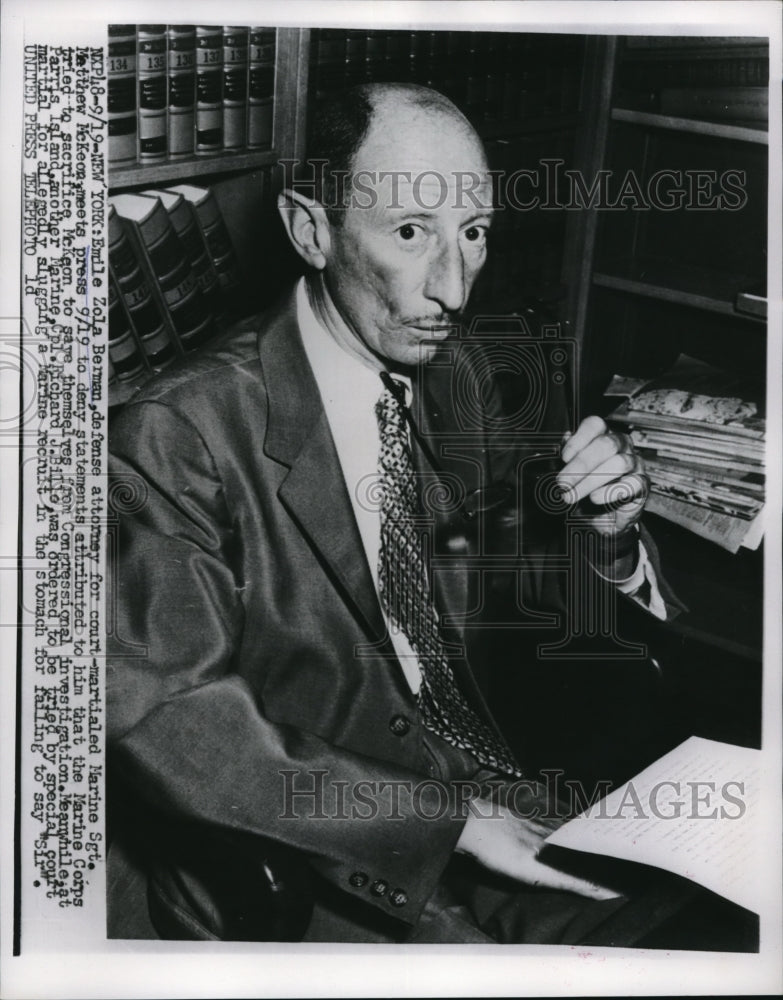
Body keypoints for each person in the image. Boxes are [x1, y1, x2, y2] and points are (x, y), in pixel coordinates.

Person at [106, 83, 685, 944]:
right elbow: (167, 719)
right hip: (332, 850)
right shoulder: (176, 434)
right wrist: (442, 821)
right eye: (410, 232)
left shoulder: (461, 377)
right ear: (312, 230)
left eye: (473, 233)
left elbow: (514, 606)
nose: (451, 288)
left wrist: (606, 545)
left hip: (508, 780)